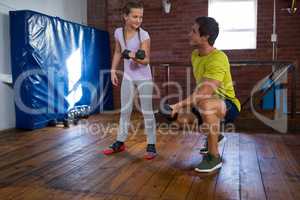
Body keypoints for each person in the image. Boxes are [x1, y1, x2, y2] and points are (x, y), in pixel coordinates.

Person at [170, 16, 240, 172]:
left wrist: (179, 104)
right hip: (205, 103)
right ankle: (216, 136)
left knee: (205, 103)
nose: (189, 34)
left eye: (193, 31)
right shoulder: (195, 55)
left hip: (227, 104)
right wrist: (178, 110)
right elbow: (201, 90)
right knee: (179, 119)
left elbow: (205, 92)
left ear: (205, 37)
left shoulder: (219, 58)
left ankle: (214, 157)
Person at [102, 1, 157, 160]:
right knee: (125, 110)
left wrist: (133, 55)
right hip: (128, 77)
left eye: (141, 17)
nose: (138, 20)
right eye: (135, 16)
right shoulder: (118, 32)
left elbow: (146, 60)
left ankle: (151, 144)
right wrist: (113, 70)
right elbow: (118, 51)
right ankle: (120, 142)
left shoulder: (144, 35)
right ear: (125, 16)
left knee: (146, 111)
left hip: (144, 78)